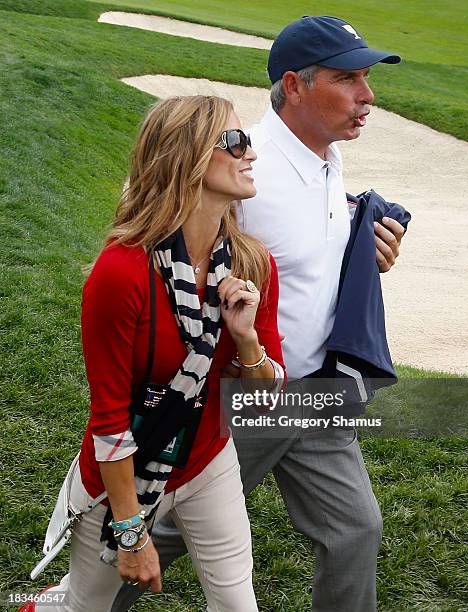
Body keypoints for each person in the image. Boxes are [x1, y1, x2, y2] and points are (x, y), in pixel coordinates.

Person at [115, 16, 407, 612]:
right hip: (241, 393)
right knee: (167, 528)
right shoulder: (242, 167)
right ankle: (81, 598)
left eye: (367, 78)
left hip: (313, 391)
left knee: (356, 529)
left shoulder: (325, 157)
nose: (367, 95)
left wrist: (359, 253)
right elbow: (163, 255)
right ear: (295, 87)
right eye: (348, 78)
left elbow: (294, 257)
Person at [27, 95, 285, 612]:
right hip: (125, 471)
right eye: (234, 142)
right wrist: (130, 532)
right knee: (85, 606)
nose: (250, 153)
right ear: (186, 157)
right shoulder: (120, 273)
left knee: (238, 605)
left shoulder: (254, 264)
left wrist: (245, 338)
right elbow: (110, 421)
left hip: (208, 460)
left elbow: (265, 402)